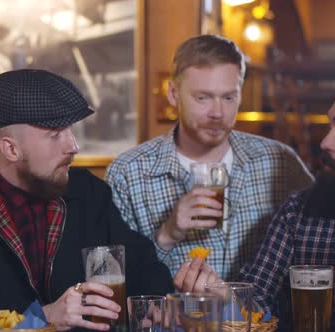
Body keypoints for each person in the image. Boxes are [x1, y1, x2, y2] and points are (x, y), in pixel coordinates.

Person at [0, 69, 174, 332]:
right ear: (11, 149)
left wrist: (160, 301)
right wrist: (41, 319)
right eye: (55, 134)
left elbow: (143, 267)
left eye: (70, 130)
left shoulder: (90, 193)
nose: (73, 146)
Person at [105, 34, 313, 280]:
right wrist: (168, 235)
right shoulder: (127, 173)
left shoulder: (280, 161)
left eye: (228, 97)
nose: (217, 112)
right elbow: (113, 284)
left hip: (261, 319)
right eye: (202, 98)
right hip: (174, 319)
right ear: (173, 94)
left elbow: (322, 244)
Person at [173, 78, 335, 330]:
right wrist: (219, 294)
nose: (325, 142)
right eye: (329, 128)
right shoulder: (298, 210)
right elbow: (256, 298)